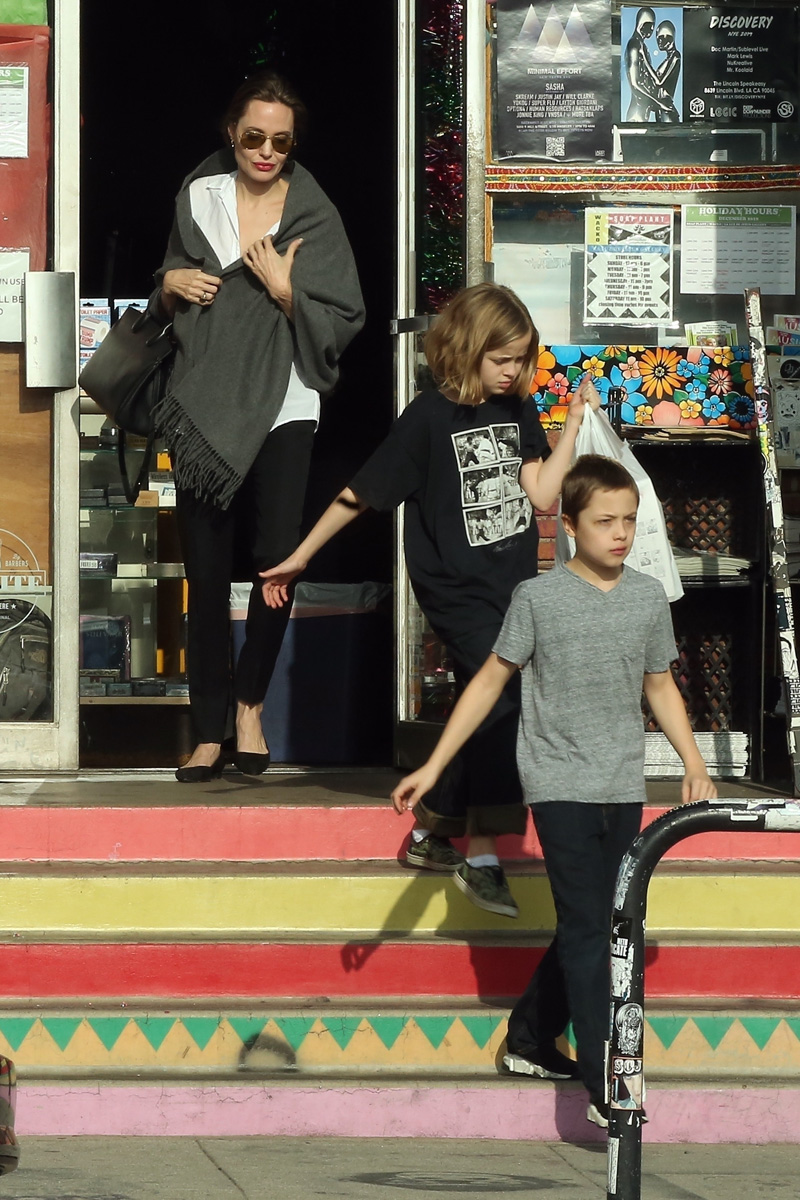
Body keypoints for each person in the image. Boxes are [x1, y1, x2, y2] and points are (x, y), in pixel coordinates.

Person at [390, 454, 717, 1127]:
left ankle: (532, 1037)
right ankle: (606, 1082)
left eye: (628, 521)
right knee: (596, 926)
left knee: (595, 921)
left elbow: (660, 685)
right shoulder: (536, 599)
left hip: (622, 782)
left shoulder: (647, 597)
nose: (620, 533)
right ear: (570, 526)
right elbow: (488, 681)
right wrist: (432, 765)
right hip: (558, 780)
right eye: (605, 521)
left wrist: (693, 760)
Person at [262, 283, 591, 918]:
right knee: (503, 701)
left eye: (522, 360)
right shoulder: (428, 418)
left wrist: (571, 424)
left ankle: (434, 833)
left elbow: (545, 495)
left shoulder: (519, 410)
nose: (513, 371)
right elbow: (361, 493)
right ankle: (485, 853)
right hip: (454, 588)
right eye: (502, 359)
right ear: (468, 350)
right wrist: (303, 554)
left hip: (513, 587)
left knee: (495, 703)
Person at [151, 71, 365, 782]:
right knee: (206, 575)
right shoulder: (199, 196)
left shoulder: (313, 215)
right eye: (254, 137)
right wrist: (169, 283)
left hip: (285, 402)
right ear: (231, 135)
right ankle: (208, 728)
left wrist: (283, 290)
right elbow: (175, 277)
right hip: (206, 403)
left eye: (280, 141)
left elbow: (343, 314)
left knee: (277, 564)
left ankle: (249, 707)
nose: (266, 151)